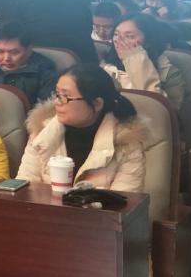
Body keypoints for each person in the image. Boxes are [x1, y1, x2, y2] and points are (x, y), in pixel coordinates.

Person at [17, 64, 146, 191]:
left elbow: (124, 200)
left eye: (66, 97)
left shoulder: (126, 143)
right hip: (42, 205)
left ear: (97, 104)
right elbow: (24, 188)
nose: (56, 101)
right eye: (57, 94)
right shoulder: (42, 131)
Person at [100, 13, 185, 108]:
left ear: (149, 42)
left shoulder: (169, 74)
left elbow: (163, 112)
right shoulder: (107, 68)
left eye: (129, 36)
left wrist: (137, 63)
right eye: (116, 34)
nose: (118, 40)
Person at [0, 22, 57, 107]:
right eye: (0, 51)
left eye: (14, 52)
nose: (6, 58)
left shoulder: (45, 77)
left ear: (28, 50)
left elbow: (44, 112)